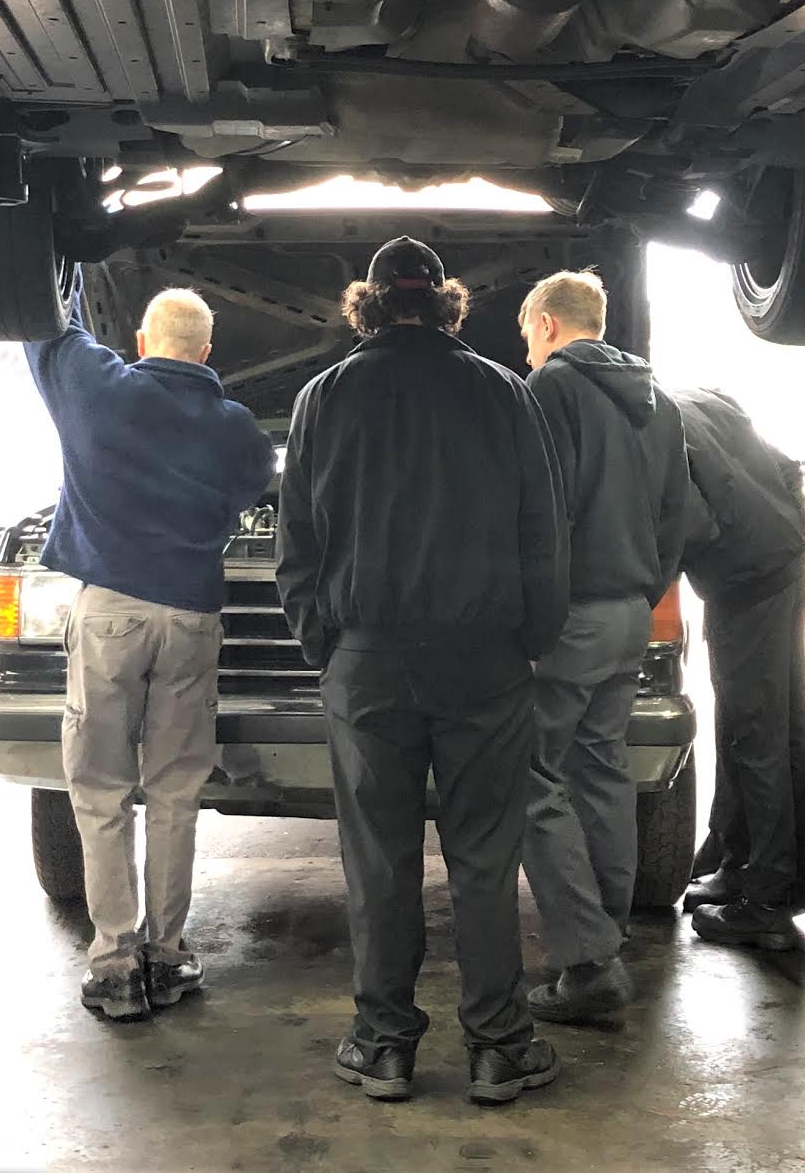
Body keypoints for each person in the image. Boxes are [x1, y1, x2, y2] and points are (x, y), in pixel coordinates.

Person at [276, 236, 570, 1107]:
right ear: (445, 303)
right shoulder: (505, 392)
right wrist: (531, 639)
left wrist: (323, 644)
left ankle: (383, 1046)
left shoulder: (323, 397)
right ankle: (499, 1048)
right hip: (484, 662)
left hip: (367, 663)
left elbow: (298, 540)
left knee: (379, 858)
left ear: (368, 304)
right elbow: (542, 532)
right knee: (483, 857)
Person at [26, 273, 273, 1020]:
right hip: (191, 616)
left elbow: (43, 325)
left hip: (109, 614)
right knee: (174, 791)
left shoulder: (100, 388)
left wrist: (64, 261)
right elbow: (254, 489)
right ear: (207, 351)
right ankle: (167, 956)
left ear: (141, 342)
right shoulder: (237, 428)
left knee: (102, 790)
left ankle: (115, 964)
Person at [516, 270, 688, 1023]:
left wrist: (529, 618)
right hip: (628, 616)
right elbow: (677, 516)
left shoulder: (550, 388)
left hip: (569, 618)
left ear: (547, 323)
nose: (527, 349)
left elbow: (539, 513)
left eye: (527, 334)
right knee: (601, 770)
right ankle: (605, 932)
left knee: (529, 776)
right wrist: (645, 591)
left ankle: (586, 961)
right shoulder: (658, 401)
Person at [672, 385, 805, 952]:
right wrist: (790, 534)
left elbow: (689, 526)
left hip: (745, 581)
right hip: (784, 563)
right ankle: (773, 869)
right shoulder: (699, 397)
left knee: (754, 732)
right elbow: (786, 466)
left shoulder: (649, 428)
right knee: (785, 723)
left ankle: (765, 899)